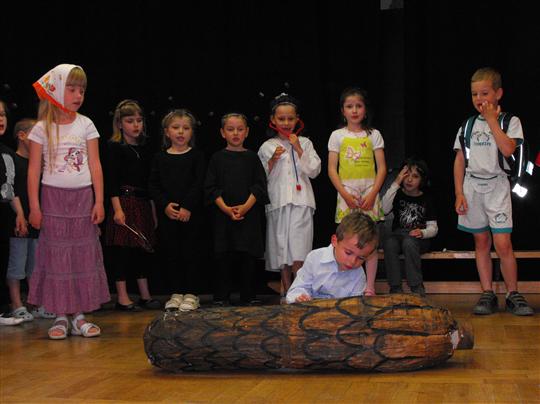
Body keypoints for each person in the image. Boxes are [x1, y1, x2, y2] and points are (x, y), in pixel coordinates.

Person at [27, 64, 110, 339]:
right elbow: (34, 170)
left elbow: (95, 165)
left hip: (83, 199)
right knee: (58, 258)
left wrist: (99, 201)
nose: (78, 95)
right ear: (56, 91)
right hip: (53, 201)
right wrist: (35, 207)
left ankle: (80, 315)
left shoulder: (86, 124)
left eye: (82, 90)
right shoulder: (41, 128)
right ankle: (61, 315)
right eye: (72, 89)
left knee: (81, 256)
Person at [453, 67, 533, 316]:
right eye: (474, 94)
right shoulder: (467, 125)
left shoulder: (510, 121)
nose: (479, 99)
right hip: (472, 187)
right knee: (481, 241)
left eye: (485, 93)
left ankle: (512, 293)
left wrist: (491, 120)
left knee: (503, 243)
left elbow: (508, 149)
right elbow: (459, 160)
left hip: (498, 186)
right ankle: (487, 292)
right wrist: (459, 193)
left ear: (498, 93)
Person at [257, 93, 321, 296]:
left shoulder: (305, 142)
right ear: (273, 120)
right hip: (278, 203)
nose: (286, 123)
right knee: (281, 249)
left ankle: (299, 289)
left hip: (302, 202)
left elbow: (314, 170)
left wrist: (299, 148)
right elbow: (259, 177)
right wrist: (272, 161)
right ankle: (286, 289)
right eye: (281, 119)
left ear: (297, 120)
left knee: (299, 248)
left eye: (290, 118)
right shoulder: (267, 146)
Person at [327, 87, 387, 296]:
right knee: (348, 242)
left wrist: (372, 195)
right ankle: (344, 287)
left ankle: (369, 287)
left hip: (369, 194)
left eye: (358, 106)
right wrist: (345, 195)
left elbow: (382, 168)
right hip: (347, 195)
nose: (354, 111)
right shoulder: (337, 136)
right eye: (349, 106)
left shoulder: (374, 135)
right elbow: (332, 170)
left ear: (365, 109)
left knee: (369, 243)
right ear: (342, 111)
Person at [205, 113, 268, 306]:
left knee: (248, 256)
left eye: (240, 129)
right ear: (222, 132)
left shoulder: (252, 158)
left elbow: (260, 186)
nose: (235, 133)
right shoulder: (217, 158)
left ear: (247, 132)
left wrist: (245, 207)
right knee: (223, 256)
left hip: (248, 216)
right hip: (223, 216)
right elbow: (210, 187)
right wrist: (226, 209)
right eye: (230, 129)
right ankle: (221, 296)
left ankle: (248, 295)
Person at [104, 99, 160, 311]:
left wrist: (152, 209)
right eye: (130, 121)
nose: (136, 125)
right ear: (120, 124)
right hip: (123, 201)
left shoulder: (145, 148)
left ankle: (145, 295)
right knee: (122, 251)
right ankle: (122, 297)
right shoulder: (115, 148)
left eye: (139, 120)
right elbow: (111, 182)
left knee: (142, 249)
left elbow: (149, 182)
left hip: (142, 202)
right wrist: (118, 209)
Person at [149, 109, 206, 311]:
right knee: (172, 253)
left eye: (186, 128)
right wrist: (165, 205)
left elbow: (199, 183)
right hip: (169, 215)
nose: (181, 132)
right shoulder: (160, 158)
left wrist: (187, 207)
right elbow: (153, 185)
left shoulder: (197, 156)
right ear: (167, 132)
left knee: (191, 252)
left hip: (191, 215)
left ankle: (192, 293)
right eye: (176, 127)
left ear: (192, 132)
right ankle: (176, 292)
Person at [6, 118, 56, 321]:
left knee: (36, 266)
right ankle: (16, 303)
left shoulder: (39, 164)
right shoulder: (13, 160)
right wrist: (20, 215)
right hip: (19, 222)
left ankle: (36, 302)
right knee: (17, 264)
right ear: (22, 136)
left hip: (38, 223)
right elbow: (12, 190)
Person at [286, 211, 378, 304]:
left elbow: (355, 305)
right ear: (334, 241)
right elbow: (296, 290)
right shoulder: (314, 258)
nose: (352, 261)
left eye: (361, 258)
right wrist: (299, 297)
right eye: (348, 253)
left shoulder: (359, 275)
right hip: (309, 310)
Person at [381, 158, 438, 297]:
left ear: (422, 180)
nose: (409, 179)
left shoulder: (427, 199)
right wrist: (396, 182)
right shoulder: (397, 194)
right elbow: (383, 209)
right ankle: (395, 287)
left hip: (418, 239)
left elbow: (433, 228)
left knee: (409, 242)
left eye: (415, 176)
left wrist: (423, 232)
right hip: (398, 235)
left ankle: (416, 286)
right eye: (406, 175)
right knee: (389, 243)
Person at [0, 99, 24, 326]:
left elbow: (10, 188)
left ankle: (2, 309)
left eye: (2, 114)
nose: (0, 119)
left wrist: (19, 213)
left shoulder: (7, 153)